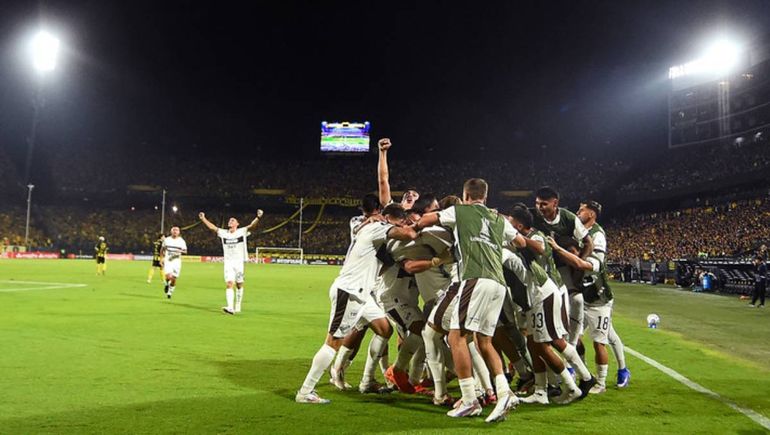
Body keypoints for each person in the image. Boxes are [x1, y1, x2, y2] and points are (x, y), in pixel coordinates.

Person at [415, 178, 526, 423]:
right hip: (498, 284)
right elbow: (521, 242)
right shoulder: (498, 218)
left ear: (465, 195)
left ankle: (469, 400)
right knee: (483, 341)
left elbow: (426, 220)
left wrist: (416, 223)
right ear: (485, 197)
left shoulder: (459, 211)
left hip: (475, 279)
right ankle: (504, 392)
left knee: (456, 337)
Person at [296, 203, 417, 404]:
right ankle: (306, 391)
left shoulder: (371, 231)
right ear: (390, 219)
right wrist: (416, 225)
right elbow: (409, 235)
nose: (402, 226)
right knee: (332, 342)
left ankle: (367, 380)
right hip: (350, 291)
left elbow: (385, 262)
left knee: (384, 329)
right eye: (400, 222)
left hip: (362, 294)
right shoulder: (378, 227)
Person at [199, 210, 264, 314]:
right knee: (229, 283)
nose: (230, 221)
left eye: (233, 220)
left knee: (239, 284)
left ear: (237, 224)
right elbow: (213, 227)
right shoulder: (223, 233)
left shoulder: (241, 231)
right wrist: (203, 219)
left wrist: (258, 217)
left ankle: (238, 303)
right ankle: (230, 307)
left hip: (239, 262)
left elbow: (252, 226)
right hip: (228, 263)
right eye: (229, 220)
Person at [377, 138, 419, 209]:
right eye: (407, 193)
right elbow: (383, 181)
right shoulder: (392, 210)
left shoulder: (425, 218)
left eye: (414, 195)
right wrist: (382, 152)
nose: (410, 194)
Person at [161, 226, 187, 299]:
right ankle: (166, 284)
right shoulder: (167, 240)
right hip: (168, 260)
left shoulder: (181, 241)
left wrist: (180, 251)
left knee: (174, 279)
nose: (175, 231)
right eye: (174, 230)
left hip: (177, 261)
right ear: (171, 231)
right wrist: (161, 259)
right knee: (168, 276)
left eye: (176, 230)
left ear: (179, 232)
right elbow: (162, 249)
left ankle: (170, 292)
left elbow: (185, 251)